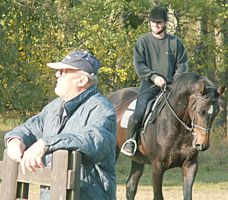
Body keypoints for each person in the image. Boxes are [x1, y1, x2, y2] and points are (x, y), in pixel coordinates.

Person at [4, 50, 117, 200]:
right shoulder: (53, 108)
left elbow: (95, 141)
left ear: (82, 80)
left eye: (63, 71)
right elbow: (29, 129)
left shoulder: (102, 109)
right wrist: (15, 140)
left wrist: (46, 144)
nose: (57, 75)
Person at [121, 6, 188, 156]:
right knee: (138, 114)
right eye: (153, 22)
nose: (155, 25)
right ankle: (130, 141)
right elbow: (140, 65)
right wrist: (154, 77)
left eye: (159, 22)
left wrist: (175, 82)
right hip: (149, 84)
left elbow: (182, 65)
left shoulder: (175, 43)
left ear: (165, 23)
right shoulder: (143, 41)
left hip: (172, 87)